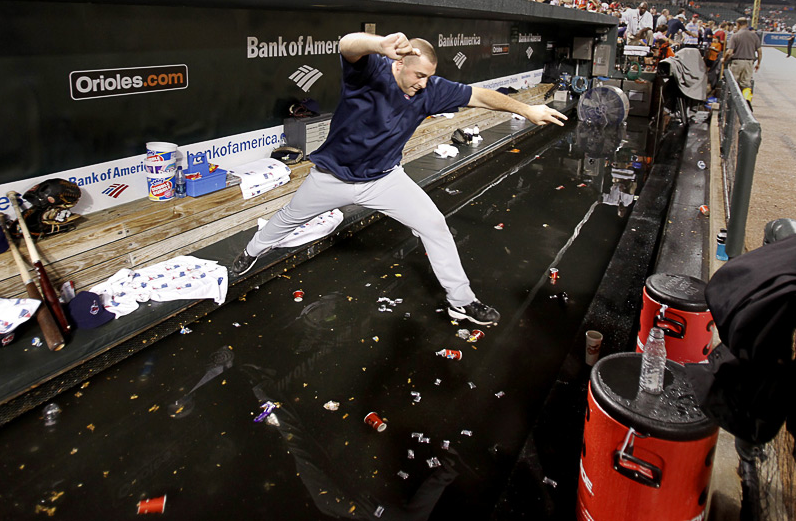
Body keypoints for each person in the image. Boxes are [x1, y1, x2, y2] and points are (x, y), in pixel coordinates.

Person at [232, 32, 568, 325]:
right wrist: (378, 44)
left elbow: (478, 95)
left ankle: (462, 302)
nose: (423, 82)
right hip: (331, 177)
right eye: (418, 74)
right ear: (398, 64)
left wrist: (527, 110)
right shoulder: (369, 73)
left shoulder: (430, 90)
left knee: (434, 224)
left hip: (384, 180)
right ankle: (250, 252)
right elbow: (347, 45)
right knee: (288, 218)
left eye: (428, 76)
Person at [723, 17, 761, 91]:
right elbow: (759, 51)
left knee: (733, 83)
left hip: (737, 62)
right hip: (749, 62)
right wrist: (758, 63)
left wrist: (724, 59)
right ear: (746, 24)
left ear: (738, 24)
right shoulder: (754, 35)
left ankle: (732, 101)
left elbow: (729, 51)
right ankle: (746, 100)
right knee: (746, 84)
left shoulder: (736, 35)